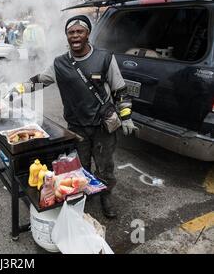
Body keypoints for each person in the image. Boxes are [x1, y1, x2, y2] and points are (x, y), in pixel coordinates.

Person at [10, 15, 136, 219]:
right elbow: (41, 79)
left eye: (80, 31)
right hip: (76, 127)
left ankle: (106, 196)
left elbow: (120, 89)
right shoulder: (60, 63)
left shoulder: (104, 58)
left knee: (105, 166)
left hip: (102, 126)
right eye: (71, 32)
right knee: (80, 166)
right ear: (66, 36)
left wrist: (126, 115)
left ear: (88, 34)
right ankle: (83, 195)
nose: (75, 35)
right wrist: (20, 88)